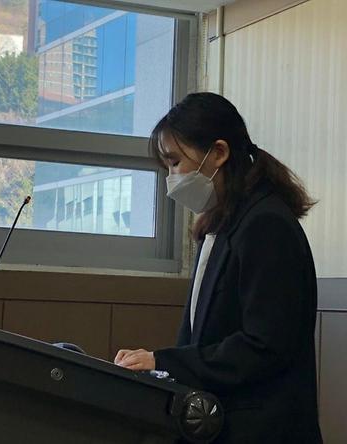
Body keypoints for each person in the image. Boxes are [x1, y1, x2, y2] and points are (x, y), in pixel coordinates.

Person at [114, 93, 323, 443]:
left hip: (262, 431)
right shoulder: (222, 223)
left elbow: (264, 345)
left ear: (219, 153)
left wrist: (163, 361)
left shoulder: (266, 224)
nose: (171, 177)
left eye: (175, 162)